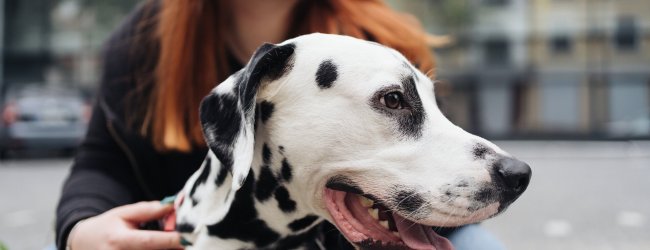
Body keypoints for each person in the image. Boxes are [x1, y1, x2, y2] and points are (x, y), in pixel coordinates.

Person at [55, 0, 504, 249]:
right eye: (391, 101)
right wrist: (82, 230)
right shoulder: (142, 44)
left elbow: (428, 157)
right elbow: (103, 160)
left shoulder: (380, 40)